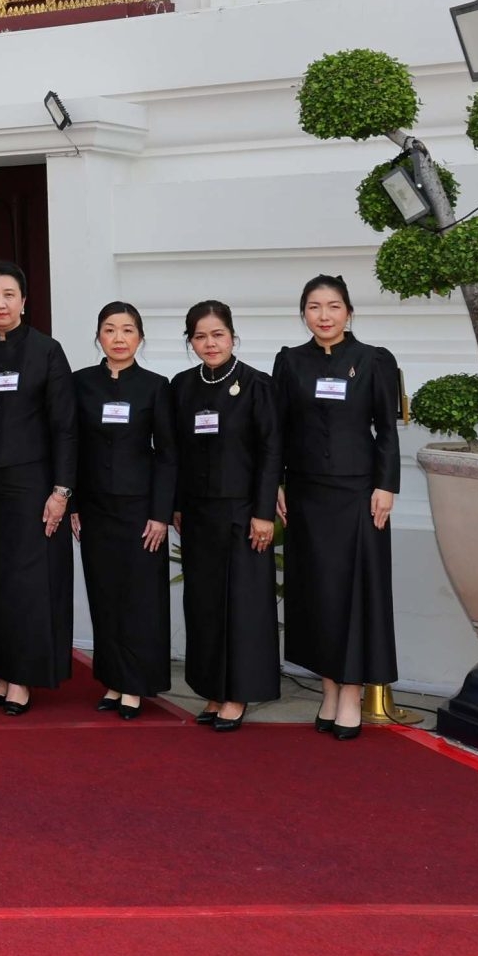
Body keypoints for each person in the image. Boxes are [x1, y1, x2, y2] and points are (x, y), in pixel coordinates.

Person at [273, 274, 403, 740]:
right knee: (317, 597)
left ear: (349, 311)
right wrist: (277, 484)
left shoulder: (373, 360)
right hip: (307, 497)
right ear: (303, 313)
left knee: (353, 595)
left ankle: (350, 693)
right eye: (313, 306)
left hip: (358, 496)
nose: (323, 316)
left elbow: (386, 429)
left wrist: (386, 486)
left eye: (332, 306)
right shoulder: (289, 363)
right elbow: (278, 433)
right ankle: (328, 689)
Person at [0, 262, 74, 716]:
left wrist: (62, 490)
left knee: (27, 585)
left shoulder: (46, 351)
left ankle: (24, 677)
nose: (0, 304)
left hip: (32, 487)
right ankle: (0, 672)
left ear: (25, 301)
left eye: (9, 295)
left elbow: (64, 427)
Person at [168, 300, 281, 732]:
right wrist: (176, 504)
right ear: (190, 342)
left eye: (217, 334)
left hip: (244, 513)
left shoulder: (257, 386)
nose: (209, 343)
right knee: (205, 605)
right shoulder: (182, 387)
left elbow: (272, 453)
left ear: (233, 336)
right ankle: (213, 690)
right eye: (200, 336)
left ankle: (237, 694)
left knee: (243, 605)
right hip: (197, 515)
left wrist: (264, 512)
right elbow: (174, 453)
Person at [70, 301, 175, 719]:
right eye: (110, 330)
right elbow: (71, 446)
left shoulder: (155, 386)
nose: (118, 338)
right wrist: (74, 502)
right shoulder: (81, 384)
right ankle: (113, 681)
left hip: (140, 511)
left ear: (140, 338)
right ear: (98, 337)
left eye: (127, 330)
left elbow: (167, 455)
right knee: (105, 595)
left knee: (140, 599)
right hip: (95, 507)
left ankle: (136, 685)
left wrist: (161, 514)